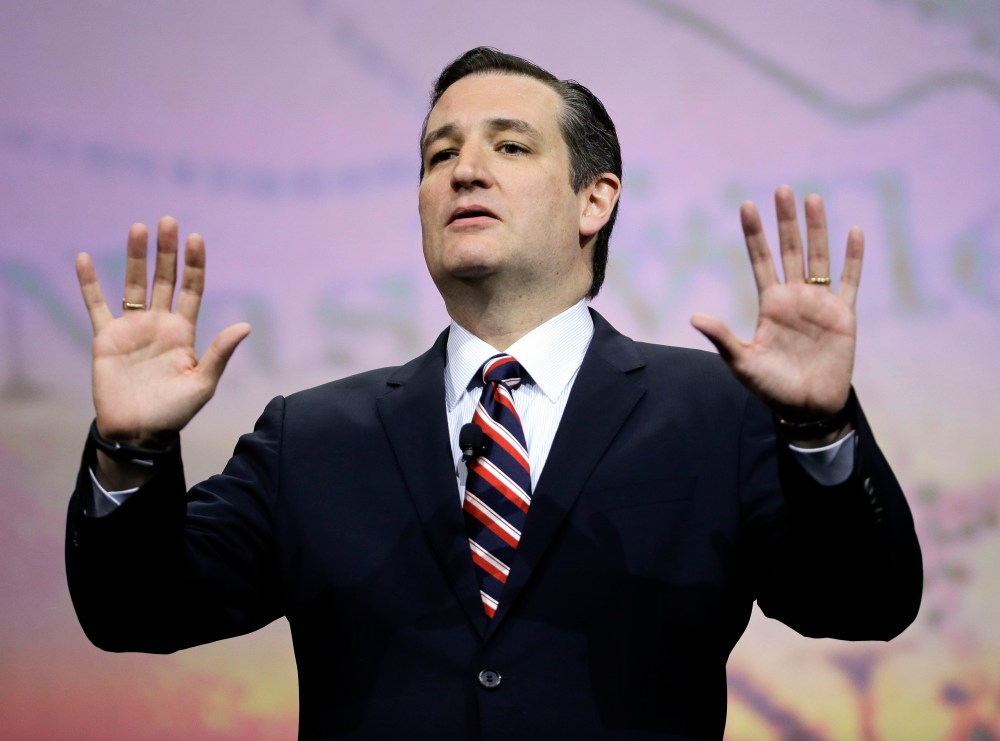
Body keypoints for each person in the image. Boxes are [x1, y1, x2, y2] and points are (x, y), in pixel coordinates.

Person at [66, 47, 922, 738]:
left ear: (595, 200)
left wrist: (818, 429)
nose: (465, 171)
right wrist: (130, 450)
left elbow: (863, 606)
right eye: (440, 155)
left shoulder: (715, 411)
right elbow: (135, 612)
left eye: (509, 147)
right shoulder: (313, 436)